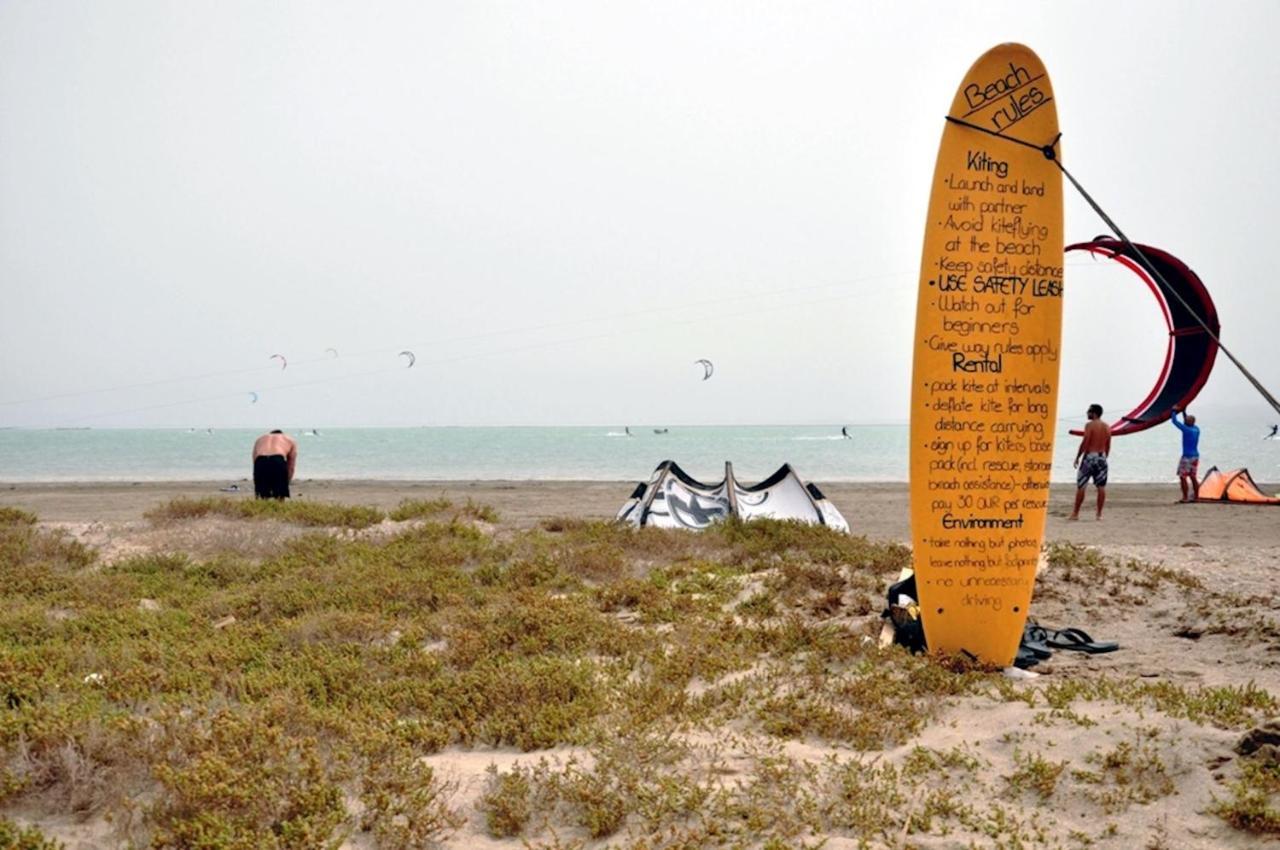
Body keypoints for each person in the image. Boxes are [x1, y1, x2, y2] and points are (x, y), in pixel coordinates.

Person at [1070, 403, 1111, 521]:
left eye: (1089, 411)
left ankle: (1075, 514)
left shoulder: (1089, 425)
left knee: (1081, 485)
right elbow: (1108, 445)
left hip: (1090, 457)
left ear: (1094, 413)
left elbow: (1085, 441)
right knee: (1101, 487)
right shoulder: (1107, 427)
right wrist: (1104, 457)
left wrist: (1078, 456)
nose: (1087, 413)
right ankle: (1099, 514)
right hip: (1102, 457)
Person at [252, 429, 297, 499]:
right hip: (277, 459)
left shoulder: (260, 439)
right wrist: (287, 481)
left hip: (261, 460)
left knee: (263, 494)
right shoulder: (289, 439)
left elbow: (255, 460)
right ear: (282, 434)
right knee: (279, 495)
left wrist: (257, 476)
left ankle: (263, 505)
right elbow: (291, 465)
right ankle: (279, 507)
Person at [1171, 406, 1201, 502]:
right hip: (1195, 456)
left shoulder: (1186, 430)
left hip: (1187, 457)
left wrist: (1173, 411)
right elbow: (1187, 421)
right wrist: (1184, 412)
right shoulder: (1196, 429)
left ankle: (1185, 498)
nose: (1184, 421)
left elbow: (1174, 421)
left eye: (1186, 421)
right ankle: (1196, 497)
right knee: (1193, 477)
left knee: (1182, 477)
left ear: (1188, 423)